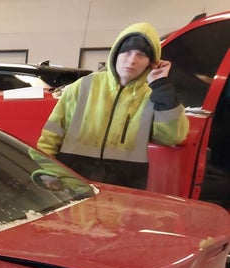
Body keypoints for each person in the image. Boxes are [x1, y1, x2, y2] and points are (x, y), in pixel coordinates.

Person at [37, 22, 189, 190]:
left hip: (122, 189)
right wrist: (48, 171)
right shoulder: (84, 87)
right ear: (115, 54)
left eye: (141, 55)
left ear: (151, 62)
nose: (132, 60)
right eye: (127, 52)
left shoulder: (153, 96)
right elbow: (51, 136)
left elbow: (173, 137)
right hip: (73, 184)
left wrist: (161, 85)